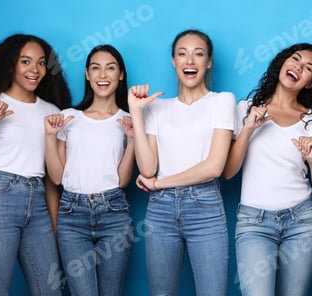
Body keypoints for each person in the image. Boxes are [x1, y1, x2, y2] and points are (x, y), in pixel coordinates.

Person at [0, 33, 72, 295]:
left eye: (41, 63)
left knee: (50, 290)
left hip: (38, 203)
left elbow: (52, 180)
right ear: (11, 65)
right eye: (25, 61)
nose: (35, 70)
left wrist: (55, 231)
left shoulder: (52, 111)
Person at [127, 29, 235, 295]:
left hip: (205, 206)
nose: (190, 61)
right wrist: (136, 113)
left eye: (198, 54)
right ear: (173, 61)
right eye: (182, 54)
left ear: (208, 62)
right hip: (160, 211)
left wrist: (160, 183)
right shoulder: (157, 107)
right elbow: (148, 168)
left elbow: (214, 167)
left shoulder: (222, 101)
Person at [222, 43, 312, 295]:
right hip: (253, 223)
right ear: (282, 63)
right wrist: (248, 128)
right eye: (295, 59)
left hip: (302, 221)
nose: (298, 67)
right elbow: (228, 172)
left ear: (311, 83)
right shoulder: (245, 108)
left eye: (308, 68)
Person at [44, 44, 134, 296]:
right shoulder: (68, 117)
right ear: (87, 74)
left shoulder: (127, 120)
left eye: (110, 68)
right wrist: (50, 138)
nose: (102, 75)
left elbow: (123, 180)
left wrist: (134, 140)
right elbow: (56, 177)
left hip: (114, 212)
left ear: (121, 75)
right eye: (96, 68)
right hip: (72, 215)